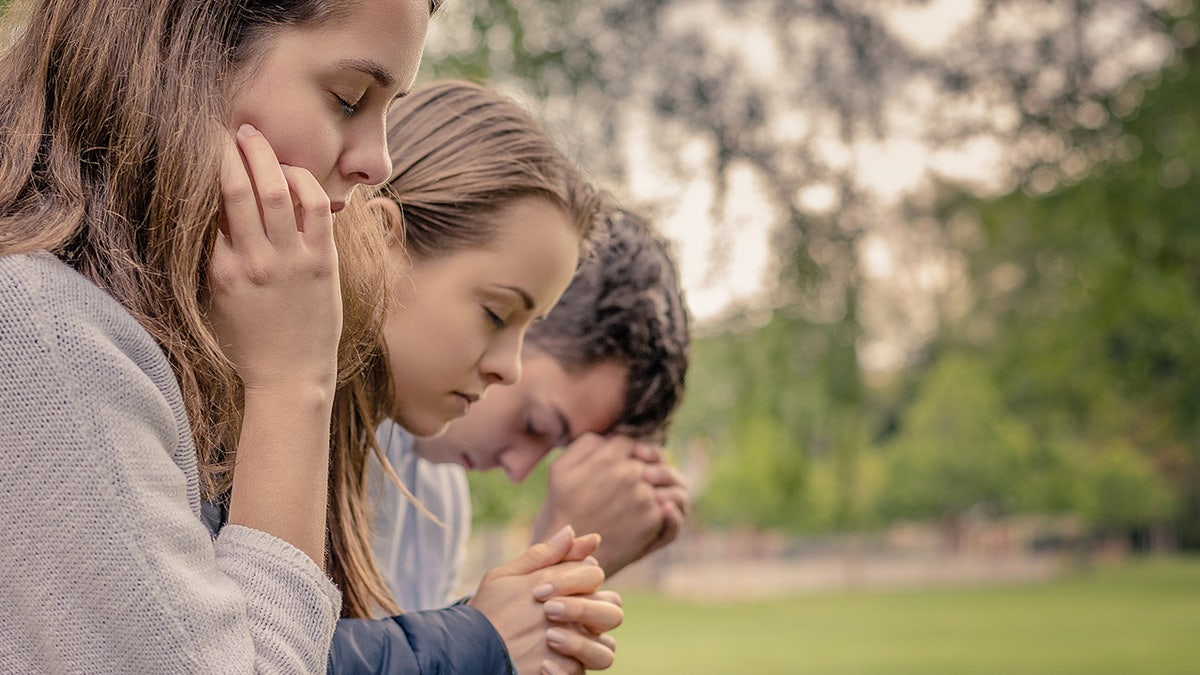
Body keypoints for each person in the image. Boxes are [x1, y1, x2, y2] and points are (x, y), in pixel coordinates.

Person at [0, 0, 432, 671]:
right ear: (187, 55)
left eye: (391, 107)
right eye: (350, 98)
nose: (380, 162)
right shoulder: (45, 337)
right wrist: (294, 383)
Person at [371, 204, 693, 616]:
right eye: (534, 424)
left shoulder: (439, 498)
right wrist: (549, 579)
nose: (519, 471)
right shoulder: (313, 424)